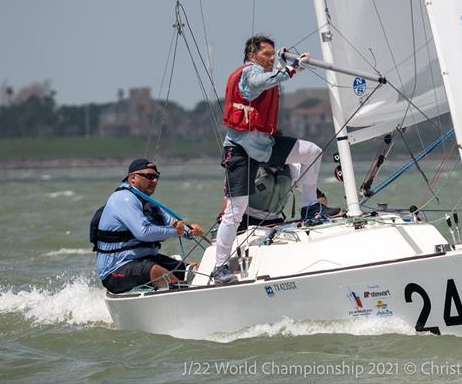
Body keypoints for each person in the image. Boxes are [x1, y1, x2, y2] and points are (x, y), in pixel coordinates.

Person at [214, 35, 337, 283]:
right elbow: (263, 81)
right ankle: (220, 267)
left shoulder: (265, 70)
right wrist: (292, 68)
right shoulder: (249, 73)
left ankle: (310, 207)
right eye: (266, 54)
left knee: (312, 151)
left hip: (264, 145)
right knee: (235, 210)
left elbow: (270, 79)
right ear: (252, 56)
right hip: (239, 148)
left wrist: (283, 62)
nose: (271, 58)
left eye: (273, 54)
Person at [94, 159, 204, 294]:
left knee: (197, 269)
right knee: (156, 271)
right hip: (115, 271)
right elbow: (144, 232)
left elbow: (173, 223)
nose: (155, 181)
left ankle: (192, 287)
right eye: (149, 176)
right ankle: (185, 292)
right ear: (132, 178)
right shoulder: (123, 199)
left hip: (144, 260)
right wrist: (176, 231)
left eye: (156, 177)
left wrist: (190, 231)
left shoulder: (148, 203)